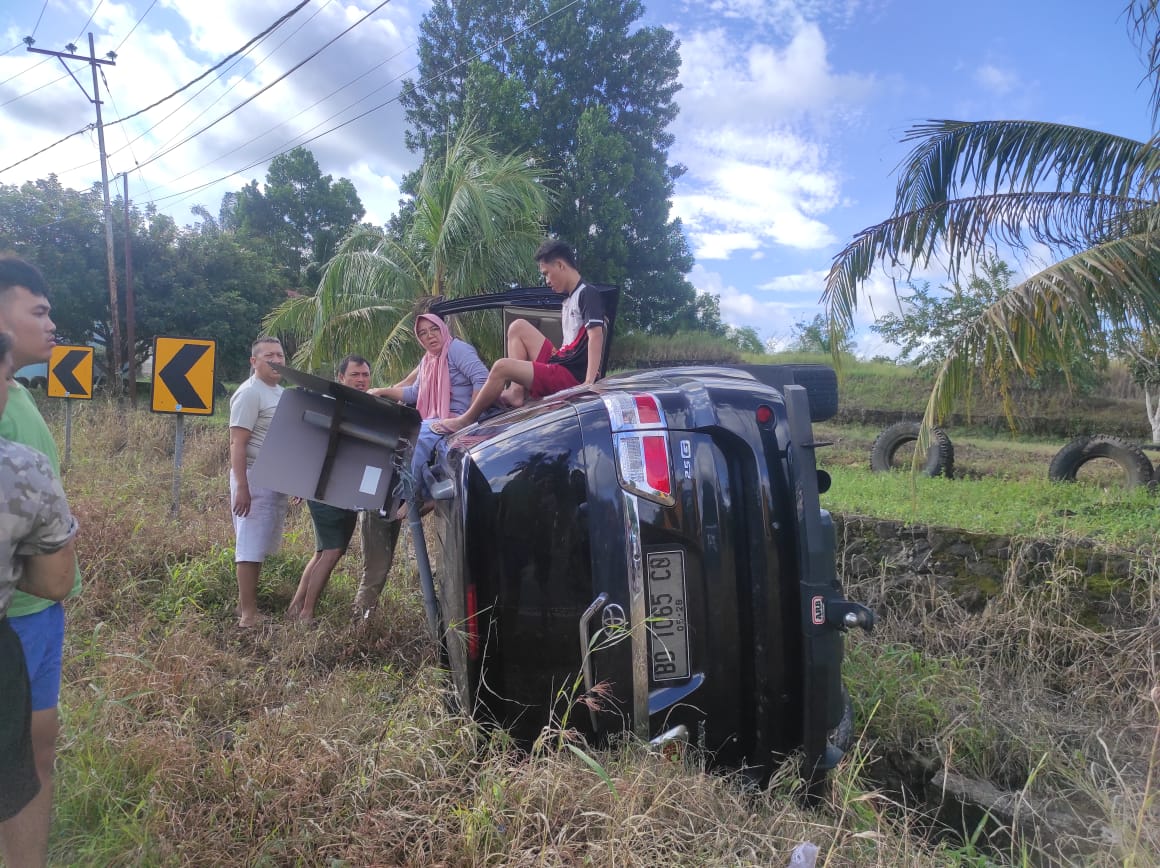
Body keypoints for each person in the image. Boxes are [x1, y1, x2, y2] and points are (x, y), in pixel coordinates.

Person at [0, 257, 81, 867]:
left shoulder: (19, 393)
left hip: (39, 610)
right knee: (24, 758)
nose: (53, 325)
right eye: (39, 311)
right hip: (20, 609)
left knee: (36, 750)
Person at [352, 313, 488, 619]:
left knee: (416, 436)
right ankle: (406, 493)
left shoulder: (458, 350)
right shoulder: (429, 360)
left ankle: (403, 493)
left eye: (432, 330)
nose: (429, 337)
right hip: (434, 417)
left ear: (443, 329)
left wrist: (466, 418)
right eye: (423, 333)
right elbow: (416, 394)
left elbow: (482, 378)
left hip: (455, 419)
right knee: (414, 430)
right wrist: (384, 391)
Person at [432, 239, 605, 435]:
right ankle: (516, 392)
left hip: (572, 376)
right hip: (563, 361)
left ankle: (465, 419)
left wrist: (589, 382)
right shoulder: (568, 299)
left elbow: (596, 336)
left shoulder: (587, 293)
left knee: (501, 367)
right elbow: (572, 344)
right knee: (517, 327)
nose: (547, 281)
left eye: (547, 273)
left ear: (560, 265)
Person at [286, 355, 372, 623]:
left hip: (347, 491)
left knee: (324, 551)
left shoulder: (366, 407)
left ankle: (295, 607)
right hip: (323, 488)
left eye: (365, 375)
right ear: (341, 377)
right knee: (332, 551)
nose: (360, 380)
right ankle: (307, 614)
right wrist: (299, 481)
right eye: (355, 375)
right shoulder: (329, 406)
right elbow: (305, 444)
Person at [229, 336, 289, 628]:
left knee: (260, 544)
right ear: (254, 362)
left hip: (274, 476)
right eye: (269, 356)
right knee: (250, 545)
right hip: (253, 476)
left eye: (280, 355)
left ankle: (245, 606)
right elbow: (237, 443)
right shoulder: (250, 393)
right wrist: (243, 486)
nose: (276, 360)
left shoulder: (278, 392)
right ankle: (249, 616)